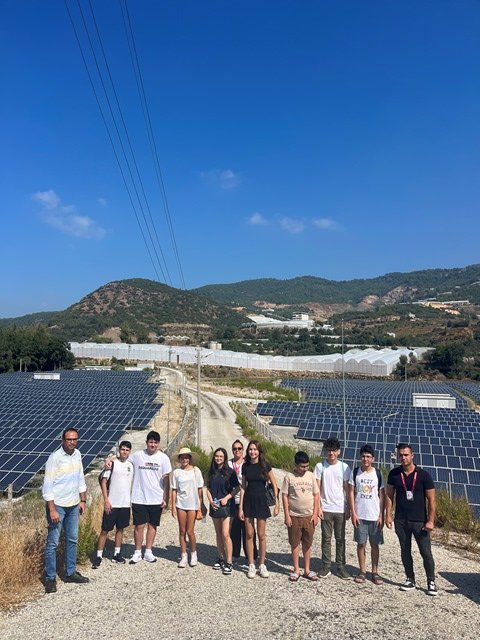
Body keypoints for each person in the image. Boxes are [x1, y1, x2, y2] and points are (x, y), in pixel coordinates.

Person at [386, 443, 438, 596]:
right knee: (405, 550)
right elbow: (389, 496)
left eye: (406, 455)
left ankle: (431, 581)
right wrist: (388, 515)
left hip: (420, 521)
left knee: (426, 552)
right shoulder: (394, 474)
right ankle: (410, 579)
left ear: (412, 456)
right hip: (401, 520)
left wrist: (430, 521)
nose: (403, 457)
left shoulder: (424, 475)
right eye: (401, 455)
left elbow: (432, 500)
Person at [42, 427, 89, 593]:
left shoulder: (77, 454)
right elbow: (47, 486)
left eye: (75, 439)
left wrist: (83, 500)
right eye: (69, 439)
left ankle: (70, 573)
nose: (72, 442)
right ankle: (50, 578)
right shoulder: (54, 458)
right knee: (53, 543)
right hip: (58, 506)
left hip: (74, 505)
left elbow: (80, 478)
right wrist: (52, 510)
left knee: (72, 539)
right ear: (63, 440)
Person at [128, 430, 171, 564]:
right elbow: (122, 459)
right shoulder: (138, 456)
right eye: (151, 442)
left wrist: (166, 498)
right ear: (146, 442)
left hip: (156, 498)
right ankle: (137, 552)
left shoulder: (163, 458)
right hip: (139, 497)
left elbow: (167, 480)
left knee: (152, 525)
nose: (153, 445)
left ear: (158, 443)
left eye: (155, 442)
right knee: (139, 526)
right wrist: (109, 460)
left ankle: (148, 551)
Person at [239, 440, 279, 579]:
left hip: (261, 501)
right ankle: (251, 563)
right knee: (249, 534)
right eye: (250, 449)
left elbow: (274, 484)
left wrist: (277, 504)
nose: (253, 452)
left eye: (255, 449)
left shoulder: (265, 465)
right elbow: (243, 487)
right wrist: (241, 507)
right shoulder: (245, 466)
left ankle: (262, 564)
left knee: (261, 535)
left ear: (259, 451)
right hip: (248, 501)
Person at [314, 437, 351, 580]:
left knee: (340, 539)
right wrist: (318, 507)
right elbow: (317, 488)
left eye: (334, 450)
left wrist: (348, 507)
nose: (331, 453)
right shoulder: (320, 466)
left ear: (338, 451)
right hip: (326, 508)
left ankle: (341, 567)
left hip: (340, 508)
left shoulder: (344, 467)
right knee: (326, 539)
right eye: (329, 450)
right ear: (325, 451)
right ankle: (326, 566)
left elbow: (347, 488)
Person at [93, 440, 134, 568]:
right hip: (112, 503)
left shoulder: (131, 465)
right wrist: (106, 500)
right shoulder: (112, 464)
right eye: (123, 449)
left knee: (120, 529)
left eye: (127, 450)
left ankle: (117, 554)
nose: (124, 452)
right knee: (105, 530)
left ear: (129, 452)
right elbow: (104, 482)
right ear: (119, 450)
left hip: (125, 504)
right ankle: (98, 555)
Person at [348, 444, 385, 585]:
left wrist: (381, 515)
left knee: (375, 545)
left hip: (374, 516)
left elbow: (382, 495)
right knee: (361, 544)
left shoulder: (378, 474)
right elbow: (350, 493)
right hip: (360, 515)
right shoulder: (355, 472)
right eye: (363, 456)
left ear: (373, 459)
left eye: (368, 456)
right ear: (360, 457)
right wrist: (353, 513)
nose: (365, 459)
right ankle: (362, 571)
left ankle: (375, 572)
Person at [282, 451, 320, 582]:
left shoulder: (311, 476)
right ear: (296, 465)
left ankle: (307, 570)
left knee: (307, 543)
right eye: (302, 466)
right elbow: (285, 496)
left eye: (307, 466)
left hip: (309, 516)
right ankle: (296, 569)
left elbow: (316, 495)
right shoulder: (289, 477)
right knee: (294, 543)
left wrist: (315, 513)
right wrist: (286, 515)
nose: (305, 469)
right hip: (294, 516)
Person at [206, 447, 239, 575]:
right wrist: (210, 501)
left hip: (227, 507)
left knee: (225, 534)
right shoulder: (212, 472)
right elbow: (208, 489)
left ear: (224, 458)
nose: (218, 458)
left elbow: (237, 488)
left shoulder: (230, 472)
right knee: (218, 533)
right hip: (215, 506)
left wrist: (227, 497)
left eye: (221, 456)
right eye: (216, 456)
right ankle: (220, 558)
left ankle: (229, 562)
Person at [171, 447, 205, 568]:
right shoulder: (176, 472)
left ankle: (193, 553)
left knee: (190, 531)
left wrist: (200, 505)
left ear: (189, 459)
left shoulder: (196, 471)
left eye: (186, 457)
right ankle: (184, 555)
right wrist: (173, 506)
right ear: (180, 459)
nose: (184, 459)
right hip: (181, 504)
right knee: (182, 531)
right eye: (182, 457)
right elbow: (174, 490)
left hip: (192, 504)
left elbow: (200, 489)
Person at [228, 439, 258, 562]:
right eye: (235, 449)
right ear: (232, 450)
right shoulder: (229, 464)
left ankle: (251, 555)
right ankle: (235, 553)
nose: (237, 451)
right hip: (232, 500)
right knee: (234, 528)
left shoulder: (247, 463)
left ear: (242, 450)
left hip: (246, 500)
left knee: (249, 530)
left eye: (239, 448)